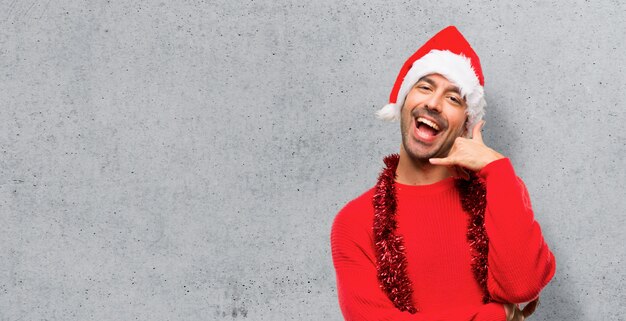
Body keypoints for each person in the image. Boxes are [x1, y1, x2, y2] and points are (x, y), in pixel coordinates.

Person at [330, 26, 556, 321]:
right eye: (424, 87)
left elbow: (521, 286)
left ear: (466, 124)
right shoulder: (354, 221)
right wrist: (495, 316)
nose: (434, 103)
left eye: (454, 98)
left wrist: (498, 169)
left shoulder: (500, 190)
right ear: (402, 103)